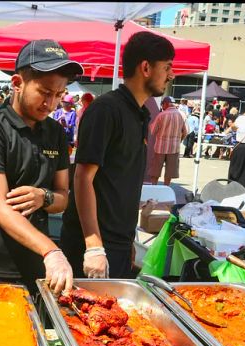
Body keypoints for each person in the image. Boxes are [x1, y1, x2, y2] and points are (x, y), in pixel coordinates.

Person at [0, 39, 82, 294]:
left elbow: (63, 197)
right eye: (45, 92)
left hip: (37, 265)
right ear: (17, 83)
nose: (51, 104)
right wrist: (51, 250)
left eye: (59, 95)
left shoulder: (55, 132)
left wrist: (44, 196)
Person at [61, 31, 175, 279]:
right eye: (167, 67)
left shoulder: (140, 114)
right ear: (146, 67)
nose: (171, 75)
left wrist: (129, 241)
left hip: (118, 245)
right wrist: (94, 246)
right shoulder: (106, 110)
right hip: (93, 246)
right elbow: (82, 178)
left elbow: (124, 183)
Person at [148, 96, 187, 186]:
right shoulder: (181, 115)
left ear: (165, 104)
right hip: (174, 148)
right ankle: (166, 188)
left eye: (162, 104)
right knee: (170, 172)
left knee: (155, 170)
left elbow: (153, 131)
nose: (162, 106)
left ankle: (154, 187)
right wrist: (178, 140)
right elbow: (185, 132)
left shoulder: (161, 115)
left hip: (160, 148)